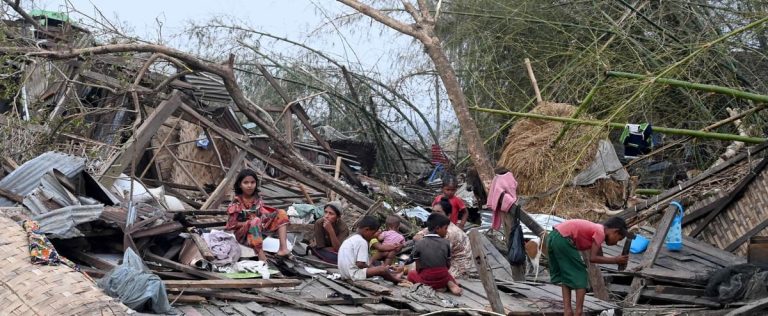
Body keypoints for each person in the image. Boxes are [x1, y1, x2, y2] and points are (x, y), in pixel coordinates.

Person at [548, 217, 630, 316]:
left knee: (566, 275)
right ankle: (578, 312)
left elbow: (600, 257)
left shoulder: (598, 229)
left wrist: (617, 261)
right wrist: (616, 260)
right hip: (563, 238)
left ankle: (568, 311)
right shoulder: (600, 232)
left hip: (554, 236)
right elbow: (593, 258)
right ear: (615, 231)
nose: (616, 243)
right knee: (581, 274)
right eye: (619, 239)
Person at [225, 169, 290, 262]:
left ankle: (283, 249)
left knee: (281, 213)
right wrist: (249, 223)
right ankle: (261, 255)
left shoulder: (257, 199)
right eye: (246, 182)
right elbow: (231, 225)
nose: (249, 185)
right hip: (243, 237)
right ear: (240, 184)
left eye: (252, 182)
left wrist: (266, 218)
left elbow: (262, 213)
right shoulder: (236, 203)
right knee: (255, 220)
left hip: (258, 232)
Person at [414, 198, 473, 278]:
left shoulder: (450, 231)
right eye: (433, 211)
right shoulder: (437, 225)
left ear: (448, 215)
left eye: (438, 212)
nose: (434, 214)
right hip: (445, 261)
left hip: (458, 266)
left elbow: (438, 255)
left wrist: (424, 243)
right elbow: (416, 237)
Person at [337, 215, 403, 284]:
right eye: (373, 233)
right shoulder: (362, 242)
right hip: (353, 274)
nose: (374, 236)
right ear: (367, 230)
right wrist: (375, 269)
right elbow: (360, 264)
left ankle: (391, 276)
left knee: (379, 268)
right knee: (382, 270)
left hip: (344, 273)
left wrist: (373, 268)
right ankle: (397, 280)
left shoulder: (352, 238)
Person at [408, 213, 463, 296]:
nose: (447, 231)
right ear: (437, 228)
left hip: (427, 280)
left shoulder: (419, 243)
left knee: (411, 274)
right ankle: (450, 283)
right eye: (445, 228)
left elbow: (418, 267)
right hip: (443, 278)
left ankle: (435, 286)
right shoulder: (446, 243)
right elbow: (448, 265)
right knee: (446, 273)